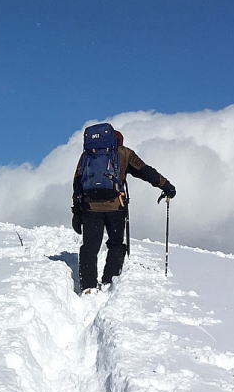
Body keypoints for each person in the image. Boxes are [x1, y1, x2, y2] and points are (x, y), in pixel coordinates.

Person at [72, 124, 175, 293]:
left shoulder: (87, 155)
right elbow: (146, 171)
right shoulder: (124, 153)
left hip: (90, 207)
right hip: (115, 208)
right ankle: (109, 281)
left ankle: (88, 287)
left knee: (90, 247)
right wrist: (166, 186)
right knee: (116, 244)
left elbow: (77, 183)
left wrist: (76, 211)